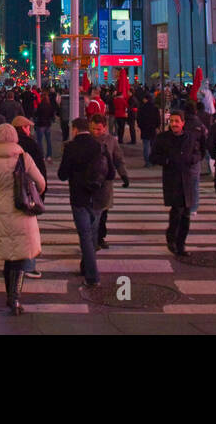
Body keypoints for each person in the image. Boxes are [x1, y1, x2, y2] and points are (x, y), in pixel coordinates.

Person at [0, 123, 47, 314]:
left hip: (3, 207)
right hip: (22, 207)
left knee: (8, 255)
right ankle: (15, 298)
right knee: (20, 257)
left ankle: (9, 295)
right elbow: (41, 182)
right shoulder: (24, 158)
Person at [57, 117, 109, 287]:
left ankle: (92, 276)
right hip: (98, 197)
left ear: (75, 129)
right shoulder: (100, 146)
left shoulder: (71, 147)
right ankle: (85, 266)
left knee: (85, 237)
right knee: (92, 235)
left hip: (79, 197)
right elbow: (111, 174)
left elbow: (62, 175)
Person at [151, 110, 204, 256]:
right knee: (177, 210)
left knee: (186, 212)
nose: (174, 124)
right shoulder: (163, 138)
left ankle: (181, 243)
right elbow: (153, 156)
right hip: (172, 177)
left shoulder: (190, 137)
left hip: (187, 177)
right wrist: (167, 161)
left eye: (176, 121)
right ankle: (172, 239)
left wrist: (193, 159)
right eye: (172, 121)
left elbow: (198, 152)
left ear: (183, 123)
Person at [11, 116, 48, 278]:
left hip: (10, 194)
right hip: (28, 192)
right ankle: (28, 265)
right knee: (29, 231)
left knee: (13, 231)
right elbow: (39, 171)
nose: (29, 129)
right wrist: (42, 192)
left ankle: (14, 263)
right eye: (27, 127)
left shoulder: (5, 148)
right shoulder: (30, 145)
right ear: (23, 128)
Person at [88, 113, 129, 249]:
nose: (95, 132)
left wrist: (124, 174)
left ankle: (100, 237)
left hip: (105, 183)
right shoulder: (87, 139)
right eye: (93, 128)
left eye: (98, 129)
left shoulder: (110, 141)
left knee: (103, 213)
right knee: (91, 213)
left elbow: (118, 159)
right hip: (89, 182)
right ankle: (92, 240)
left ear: (104, 128)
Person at [138, 92, 162, 167]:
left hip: (145, 129)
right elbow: (158, 119)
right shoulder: (155, 108)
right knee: (153, 145)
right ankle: (153, 161)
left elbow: (139, 119)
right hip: (153, 129)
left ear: (146, 99)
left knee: (146, 146)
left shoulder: (142, 108)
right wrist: (157, 126)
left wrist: (140, 126)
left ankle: (148, 162)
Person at [33, 87, 56, 161]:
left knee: (40, 141)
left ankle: (41, 155)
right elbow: (52, 115)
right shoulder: (50, 106)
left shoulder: (40, 105)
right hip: (47, 124)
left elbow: (36, 114)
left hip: (40, 124)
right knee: (48, 140)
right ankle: (49, 155)